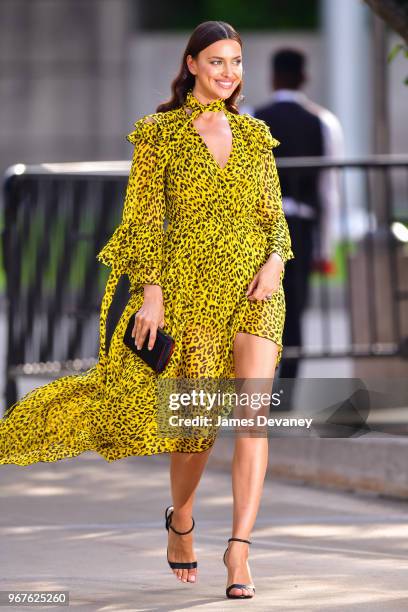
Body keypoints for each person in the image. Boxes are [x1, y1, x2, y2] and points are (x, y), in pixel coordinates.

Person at [0, 21, 294, 600]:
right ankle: (180, 521)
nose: (229, 73)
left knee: (253, 419)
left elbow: (272, 217)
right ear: (191, 65)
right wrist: (153, 294)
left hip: (255, 291)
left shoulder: (256, 135)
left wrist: (276, 262)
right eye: (217, 61)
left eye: (236, 61)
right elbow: (139, 223)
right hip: (188, 292)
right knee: (196, 430)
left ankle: (239, 551)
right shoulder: (160, 134)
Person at [246, 48, 344, 386]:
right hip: (301, 226)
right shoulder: (323, 121)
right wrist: (326, 250)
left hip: (257, 229)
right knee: (295, 308)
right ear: (304, 77)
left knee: (253, 309)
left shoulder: (251, 118)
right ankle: (286, 390)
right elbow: (329, 189)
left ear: (272, 76)